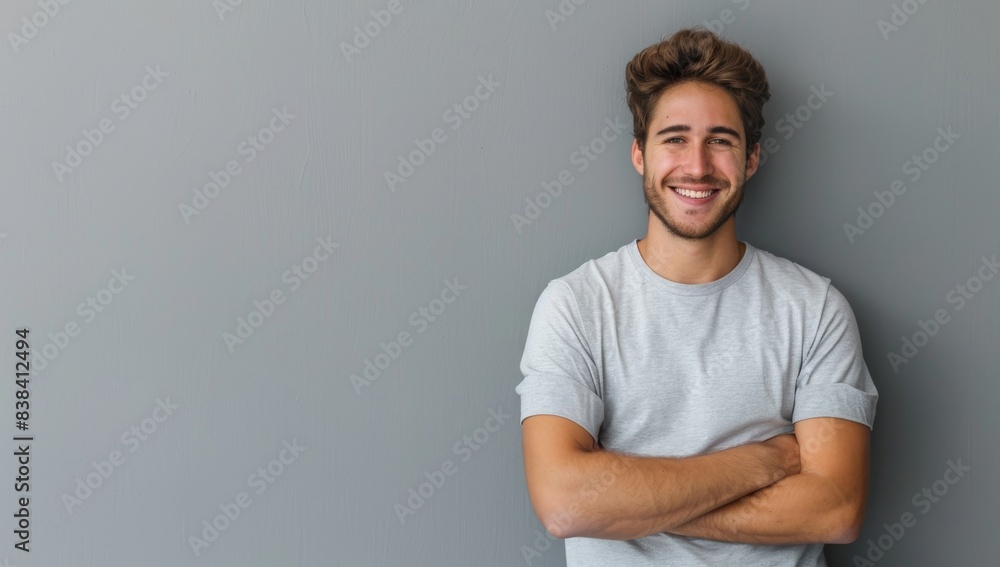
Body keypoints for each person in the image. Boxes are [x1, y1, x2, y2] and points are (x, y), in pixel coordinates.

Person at [515, 27, 878, 566]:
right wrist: (763, 462)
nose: (698, 166)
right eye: (675, 138)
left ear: (751, 159)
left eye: (721, 140)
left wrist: (628, 505)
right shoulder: (575, 305)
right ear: (640, 154)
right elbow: (565, 504)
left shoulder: (816, 308)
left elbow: (835, 510)